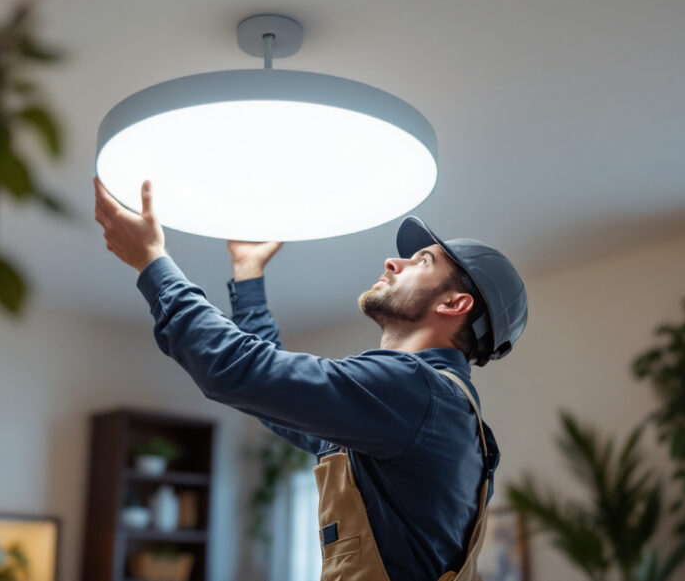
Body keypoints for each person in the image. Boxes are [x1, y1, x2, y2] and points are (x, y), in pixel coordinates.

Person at [93, 177, 528, 581]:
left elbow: (238, 369)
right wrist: (248, 272)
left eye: (422, 261)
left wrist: (152, 263)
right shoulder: (425, 406)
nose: (392, 262)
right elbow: (277, 399)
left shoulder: (415, 391)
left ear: (455, 303)